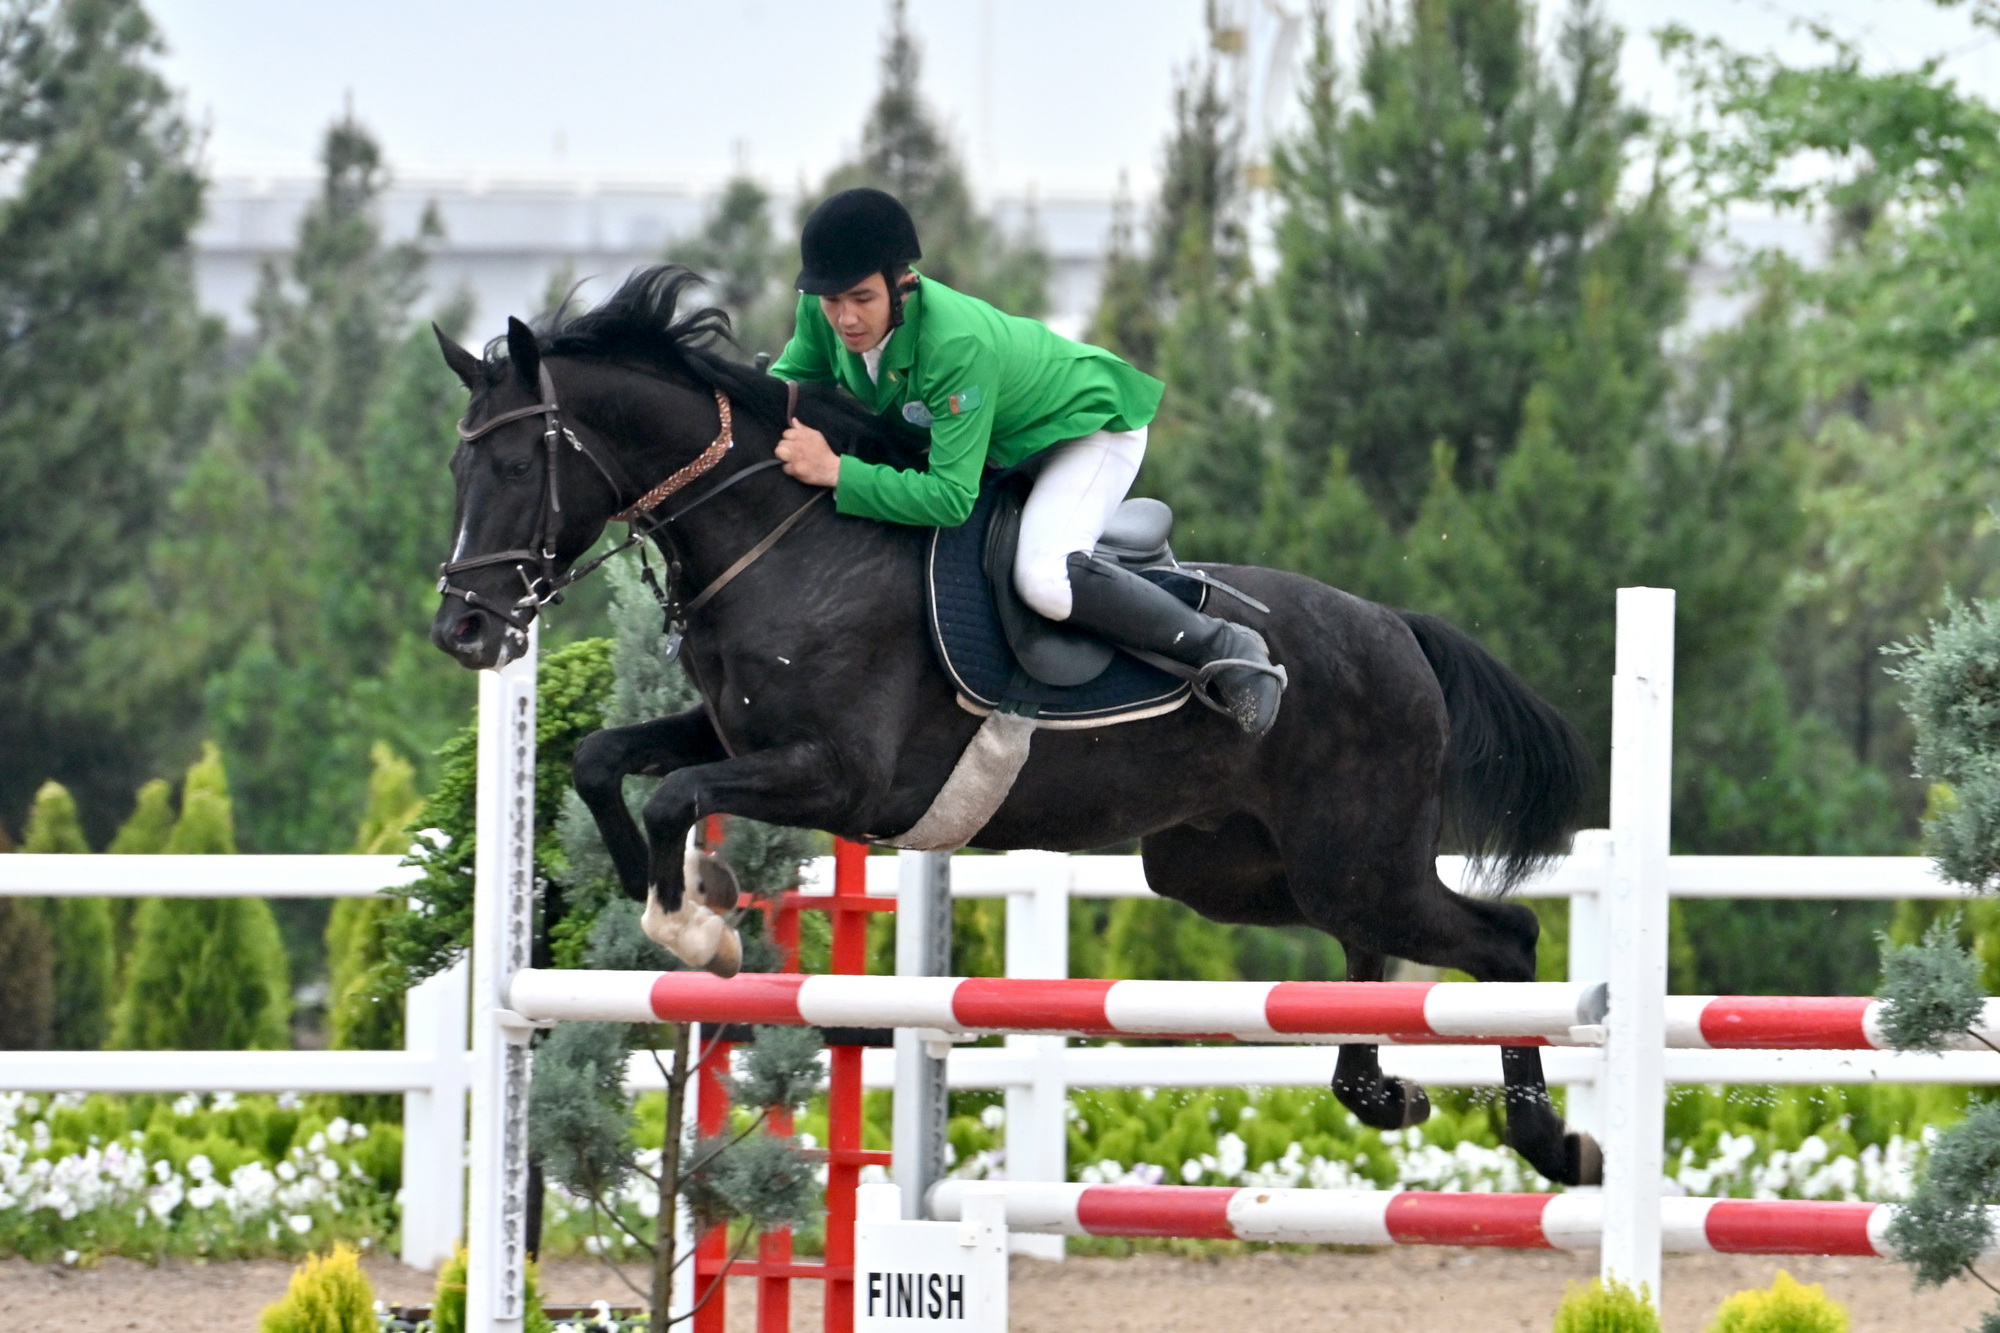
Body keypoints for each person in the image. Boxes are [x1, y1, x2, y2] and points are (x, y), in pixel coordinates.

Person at [769, 187, 1283, 735]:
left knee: (1044, 581)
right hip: (1002, 445)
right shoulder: (820, 311)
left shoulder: (954, 344)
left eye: (862, 298)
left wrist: (836, 472)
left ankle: (1224, 646)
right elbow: (781, 391)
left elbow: (950, 499)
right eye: (832, 300)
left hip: (1086, 430)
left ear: (903, 284)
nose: (845, 318)